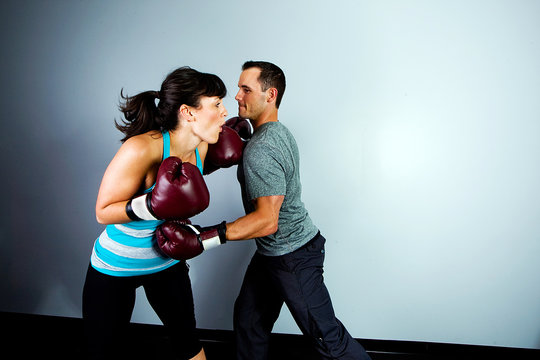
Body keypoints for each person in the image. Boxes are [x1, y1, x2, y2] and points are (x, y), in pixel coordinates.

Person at [199, 61, 372, 359]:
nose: (237, 97)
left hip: (292, 254)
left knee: (328, 338)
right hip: (273, 252)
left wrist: (207, 237)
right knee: (249, 321)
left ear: (270, 95)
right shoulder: (275, 133)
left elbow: (267, 221)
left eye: (245, 89)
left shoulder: (260, 148)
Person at [82, 66, 229, 360]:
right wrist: (151, 206)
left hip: (165, 263)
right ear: (188, 112)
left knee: (189, 344)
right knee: (102, 352)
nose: (225, 112)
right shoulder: (142, 149)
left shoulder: (202, 145)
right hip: (115, 267)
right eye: (216, 104)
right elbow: (102, 212)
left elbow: (184, 187)